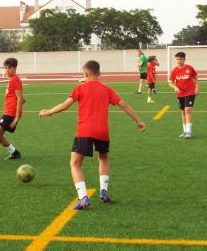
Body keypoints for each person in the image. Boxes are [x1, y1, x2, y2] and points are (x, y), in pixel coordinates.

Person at [39, 60, 146, 210]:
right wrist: (138, 120)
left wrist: (48, 112)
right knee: (103, 158)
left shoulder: (80, 88)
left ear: (85, 73)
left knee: (75, 163)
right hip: (103, 131)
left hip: (85, 131)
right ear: (99, 73)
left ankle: (83, 198)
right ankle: (104, 191)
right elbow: (123, 104)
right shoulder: (107, 90)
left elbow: (65, 105)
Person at [168, 52, 199, 139]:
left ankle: (189, 131)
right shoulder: (174, 70)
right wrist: (175, 87)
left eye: (180, 59)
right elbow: (170, 82)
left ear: (184, 59)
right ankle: (185, 130)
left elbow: (196, 77)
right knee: (183, 112)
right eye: (177, 59)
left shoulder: (190, 68)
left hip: (190, 92)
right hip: (180, 94)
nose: (178, 61)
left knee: (188, 110)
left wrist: (197, 88)